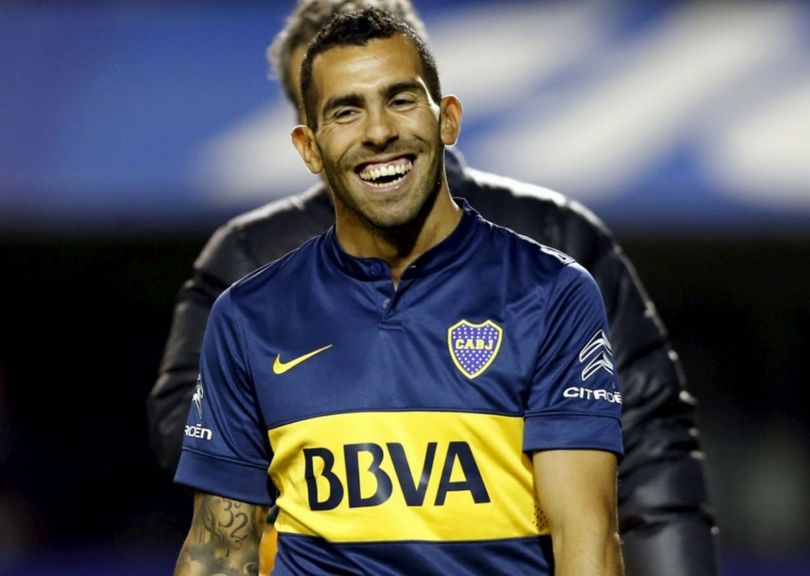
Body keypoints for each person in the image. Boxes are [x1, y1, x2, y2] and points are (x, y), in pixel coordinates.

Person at [148, 1, 719, 575]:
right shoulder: (248, 312)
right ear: (309, 147)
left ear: (447, 118)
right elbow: (220, 550)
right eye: (346, 111)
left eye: (400, 100)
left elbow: (586, 538)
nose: (379, 131)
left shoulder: (551, 289)